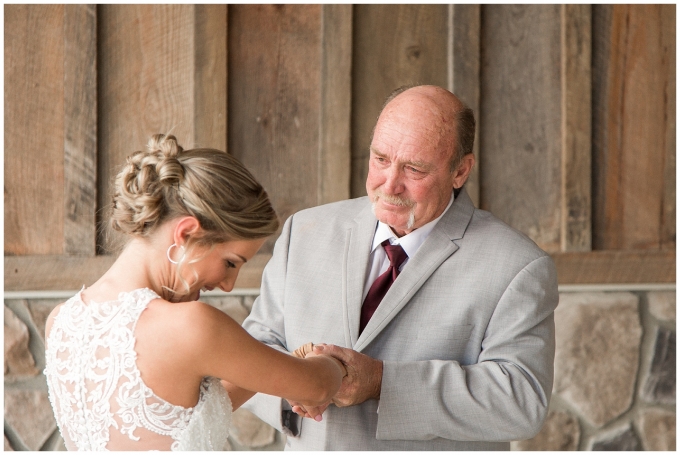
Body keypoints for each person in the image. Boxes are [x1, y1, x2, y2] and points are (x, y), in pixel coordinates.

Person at [241, 85, 559, 450]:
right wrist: (296, 389)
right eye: (380, 159)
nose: (389, 184)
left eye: (414, 168)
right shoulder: (304, 231)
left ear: (460, 171)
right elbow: (252, 350)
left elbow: (521, 402)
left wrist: (380, 382)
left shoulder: (519, 266)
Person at [43, 134, 347, 451]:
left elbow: (185, 418)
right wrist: (331, 364)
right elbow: (317, 387)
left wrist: (288, 369)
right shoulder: (190, 324)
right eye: (230, 262)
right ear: (187, 233)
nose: (228, 284)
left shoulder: (61, 321)